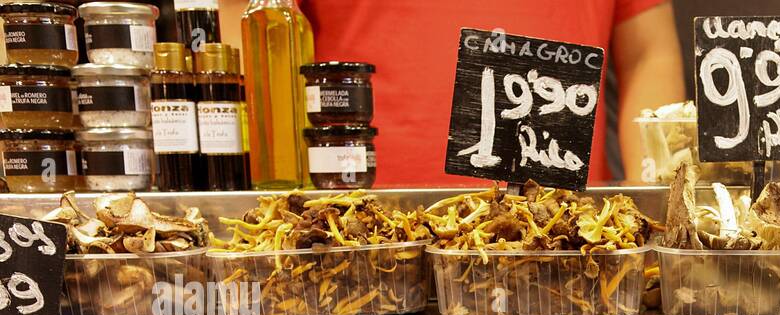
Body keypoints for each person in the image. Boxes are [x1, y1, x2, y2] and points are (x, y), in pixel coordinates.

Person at [218, 0, 684, 186]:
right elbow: (252, 36)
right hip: (353, 237)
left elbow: (648, 53)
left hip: (573, 244)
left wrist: (655, 209)